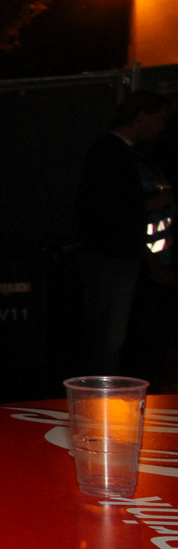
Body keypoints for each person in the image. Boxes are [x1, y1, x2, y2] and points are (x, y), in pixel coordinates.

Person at [75, 89, 175, 382]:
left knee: (113, 334)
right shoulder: (109, 151)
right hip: (111, 257)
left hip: (120, 257)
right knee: (107, 335)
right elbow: (106, 206)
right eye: (160, 118)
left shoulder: (127, 154)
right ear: (141, 116)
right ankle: (100, 392)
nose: (163, 126)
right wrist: (150, 203)